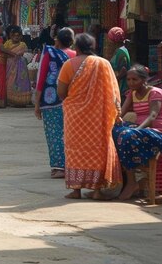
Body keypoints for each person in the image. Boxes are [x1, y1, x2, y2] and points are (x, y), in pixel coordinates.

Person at [57, 33, 122, 200]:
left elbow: (61, 92)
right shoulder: (104, 64)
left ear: (76, 48)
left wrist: (76, 101)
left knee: (74, 150)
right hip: (98, 116)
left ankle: (76, 189)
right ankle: (98, 190)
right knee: (98, 149)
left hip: (75, 117)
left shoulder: (69, 65)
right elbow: (114, 93)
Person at [113, 65, 162, 200]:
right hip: (141, 131)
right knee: (114, 132)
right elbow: (120, 114)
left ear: (144, 79)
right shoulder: (132, 94)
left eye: (135, 79)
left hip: (159, 134)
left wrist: (137, 129)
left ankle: (132, 182)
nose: (131, 83)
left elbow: (152, 116)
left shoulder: (155, 93)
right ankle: (129, 179)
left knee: (126, 135)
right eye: (128, 80)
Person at [34, 27, 76, 178]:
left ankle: (59, 168)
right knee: (69, 133)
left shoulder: (49, 54)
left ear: (56, 39)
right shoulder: (76, 56)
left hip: (50, 100)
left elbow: (41, 79)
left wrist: (37, 103)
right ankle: (70, 164)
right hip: (71, 101)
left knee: (54, 134)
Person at [2, 26, 33, 108]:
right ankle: (11, 100)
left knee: (21, 82)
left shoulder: (23, 44)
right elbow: (4, 53)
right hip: (10, 65)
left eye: (18, 36)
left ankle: (21, 101)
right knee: (10, 82)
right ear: (11, 36)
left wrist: (20, 54)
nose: (16, 37)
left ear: (21, 36)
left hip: (21, 67)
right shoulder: (8, 43)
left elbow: (26, 54)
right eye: (14, 35)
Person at [108, 26, 131, 99]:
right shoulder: (121, 50)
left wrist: (114, 79)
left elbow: (123, 70)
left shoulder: (121, 52)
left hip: (121, 87)